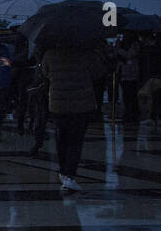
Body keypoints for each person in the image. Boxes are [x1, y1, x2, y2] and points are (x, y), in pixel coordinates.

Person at [42, 42, 106, 193]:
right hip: (81, 103)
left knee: (61, 138)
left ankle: (63, 171)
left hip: (58, 103)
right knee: (75, 140)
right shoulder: (87, 54)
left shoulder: (50, 54)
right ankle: (70, 174)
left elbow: (45, 72)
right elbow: (98, 73)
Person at [117, 36, 141, 125]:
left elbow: (129, 55)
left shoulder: (135, 44)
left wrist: (119, 48)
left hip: (132, 74)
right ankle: (127, 112)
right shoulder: (123, 44)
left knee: (132, 95)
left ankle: (132, 114)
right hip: (124, 74)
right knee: (126, 95)